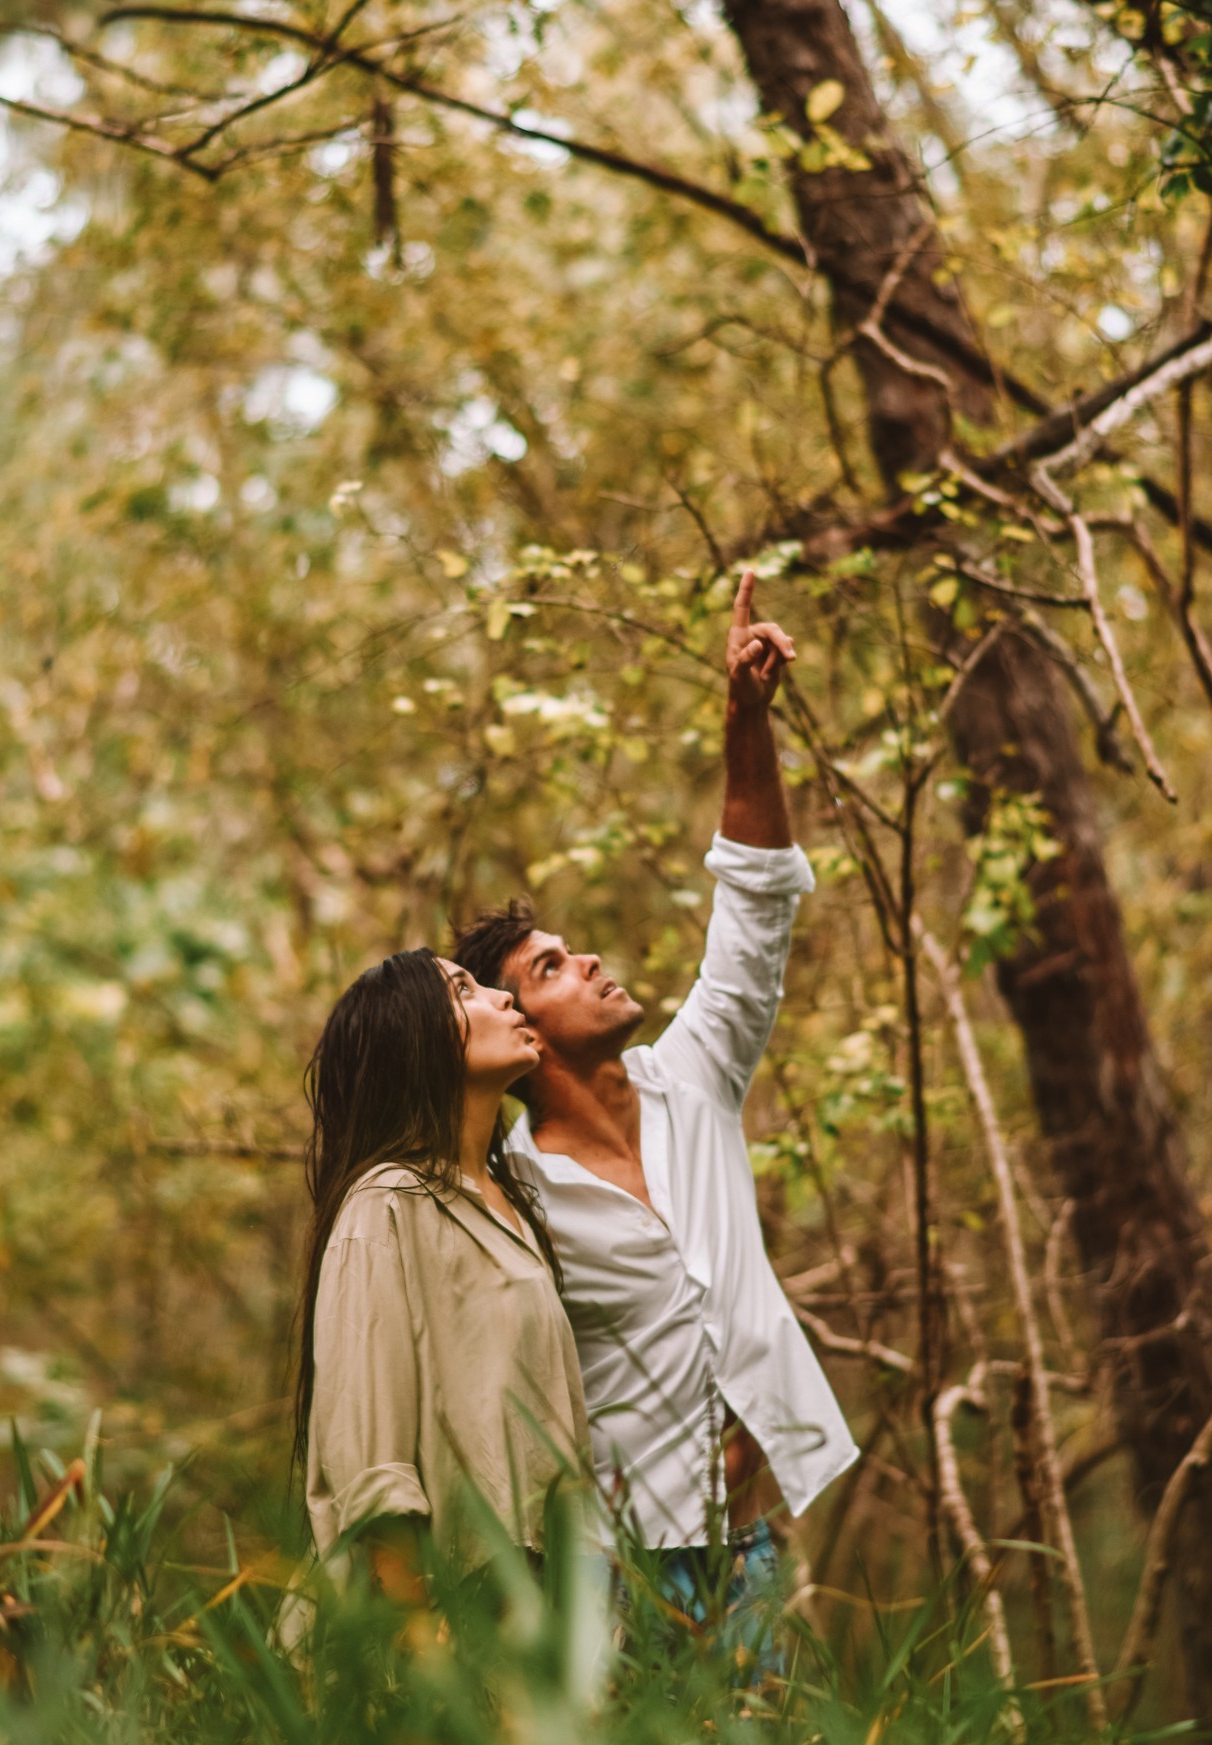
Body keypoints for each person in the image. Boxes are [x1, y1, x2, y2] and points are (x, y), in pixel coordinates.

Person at [453, 571, 858, 1640]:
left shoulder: (699, 1079)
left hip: (753, 1551)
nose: (584, 958)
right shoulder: (514, 1199)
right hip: (614, 1570)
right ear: (524, 1034)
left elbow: (756, 900)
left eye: (568, 948)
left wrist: (743, 718)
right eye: (549, 967)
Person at [293, 948, 590, 1602]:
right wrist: (416, 1644)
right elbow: (371, 1461)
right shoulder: (386, 1204)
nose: (503, 998)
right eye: (464, 990)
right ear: (414, 1043)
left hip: (539, 1611)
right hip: (440, 1617)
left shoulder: (510, 1206)